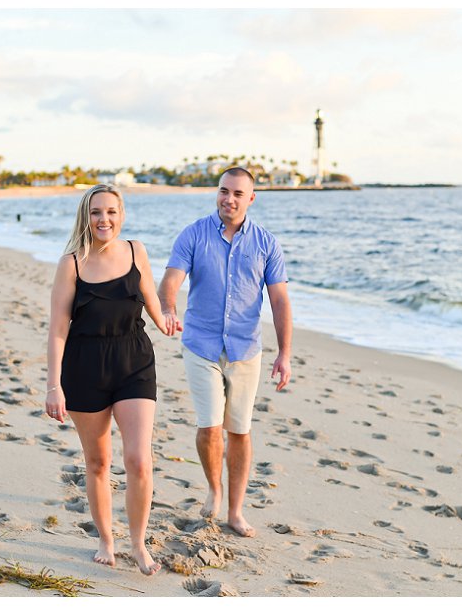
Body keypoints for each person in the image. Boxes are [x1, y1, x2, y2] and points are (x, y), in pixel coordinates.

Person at [45, 184, 176, 575]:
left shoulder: (137, 251)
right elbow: (57, 329)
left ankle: (138, 543)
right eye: (97, 212)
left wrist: (165, 319)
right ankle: (106, 539)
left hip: (134, 360)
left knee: (138, 459)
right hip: (84, 366)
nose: (105, 220)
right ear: (86, 217)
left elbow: (150, 297)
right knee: (99, 462)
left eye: (112, 212)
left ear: (122, 215)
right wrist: (54, 385)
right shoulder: (71, 263)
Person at [158, 167, 294, 538]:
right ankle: (214, 489)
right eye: (223, 191)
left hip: (246, 349)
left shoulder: (267, 244)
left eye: (237, 193)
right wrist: (169, 308)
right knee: (209, 426)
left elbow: (279, 299)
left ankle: (235, 511)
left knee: (240, 430)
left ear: (251, 198)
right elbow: (171, 280)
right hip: (200, 345)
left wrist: (285, 354)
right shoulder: (194, 234)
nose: (228, 199)